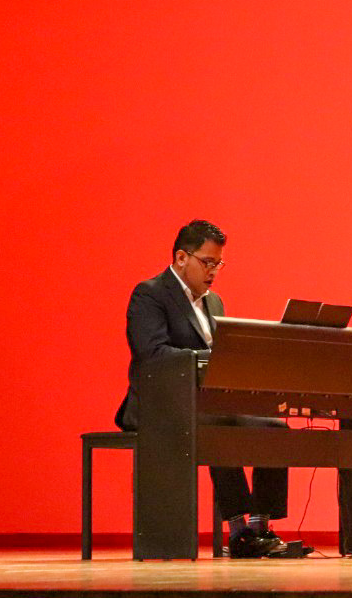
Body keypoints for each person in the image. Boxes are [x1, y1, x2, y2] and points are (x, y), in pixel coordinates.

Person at [114, 219, 292, 559]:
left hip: (205, 403)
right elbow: (151, 355)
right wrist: (207, 359)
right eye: (207, 262)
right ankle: (237, 531)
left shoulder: (215, 303)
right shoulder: (150, 294)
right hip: (158, 406)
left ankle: (260, 526)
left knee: (274, 428)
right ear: (182, 258)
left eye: (218, 264)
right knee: (217, 425)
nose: (213, 271)